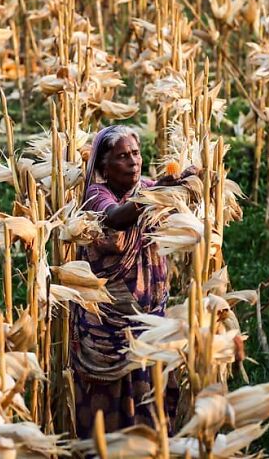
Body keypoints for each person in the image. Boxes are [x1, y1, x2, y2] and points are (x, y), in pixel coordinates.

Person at [70, 125, 189, 438]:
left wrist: (192, 177)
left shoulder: (146, 188)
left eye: (135, 153)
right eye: (122, 156)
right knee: (109, 414)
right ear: (104, 167)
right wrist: (154, 195)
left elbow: (180, 188)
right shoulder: (96, 196)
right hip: (108, 323)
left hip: (150, 320)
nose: (133, 161)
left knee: (149, 403)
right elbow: (114, 217)